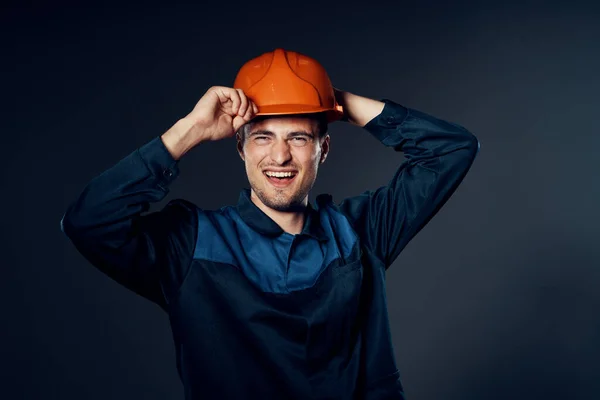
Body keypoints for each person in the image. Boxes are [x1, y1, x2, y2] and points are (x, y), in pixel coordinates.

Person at [61, 48, 480, 399]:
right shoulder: (190, 245)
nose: (279, 157)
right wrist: (189, 130)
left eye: (298, 137)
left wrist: (335, 102)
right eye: (263, 136)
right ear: (239, 147)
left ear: (323, 148)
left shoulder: (361, 234)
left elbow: (453, 150)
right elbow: (89, 221)